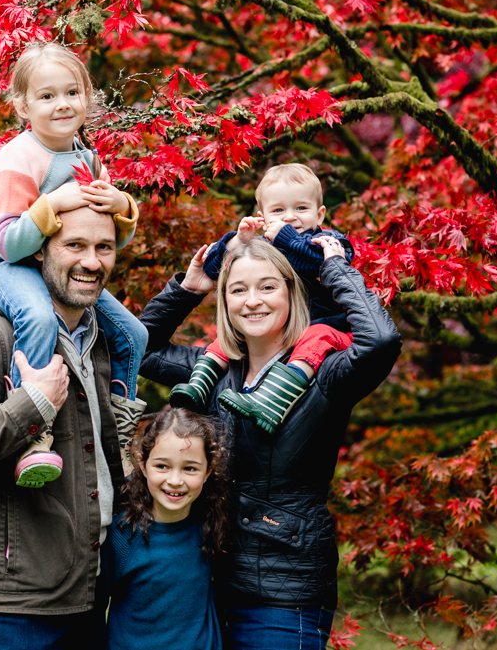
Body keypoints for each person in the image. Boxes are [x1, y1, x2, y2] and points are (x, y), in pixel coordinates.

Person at [139, 237, 401, 649]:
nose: (252, 301)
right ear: (224, 301)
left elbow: (381, 341)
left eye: (267, 286)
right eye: (238, 289)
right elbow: (140, 348)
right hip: (207, 581)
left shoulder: (322, 371)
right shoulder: (212, 370)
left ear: (291, 292)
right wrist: (187, 289)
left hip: (284, 592)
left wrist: (334, 269)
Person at [0, 207, 127, 650]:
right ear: (36, 253)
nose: (92, 261)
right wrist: (31, 404)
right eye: (75, 245)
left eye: (103, 247)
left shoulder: (96, 342)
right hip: (9, 610)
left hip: (86, 596)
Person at [0, 42, 147, 487]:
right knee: (39, 316)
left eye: (72, 92)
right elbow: (7, 242)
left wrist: (121, 203)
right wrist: (52, 203)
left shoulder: (86, 156)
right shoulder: (17, 161)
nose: (62, 104)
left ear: (87, 96)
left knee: (132, 334)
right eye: (47, 96)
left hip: (50, 266)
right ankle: (35, 431)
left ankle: (120, 433)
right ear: (23, 105)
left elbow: (110, 235)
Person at [169, 163, 354, 434]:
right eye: (279, 210)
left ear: (320, 214)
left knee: (316, 336)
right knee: (227, 339)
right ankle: (199, 386)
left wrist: (286, 238)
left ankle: (271, 403)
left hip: (325, 328)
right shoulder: (264, 247)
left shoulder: (328, 241)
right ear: (263, 216)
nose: (290, 217)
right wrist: (237, 241)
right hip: (279, 332)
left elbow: (321, 264)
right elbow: (215, 271)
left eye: (301, 208)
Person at [103, 408, 228, 650]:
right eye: (162, 466)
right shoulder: (122, 536)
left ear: (208, 471)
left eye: (190, 468)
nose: (175, 480)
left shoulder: (211, 524)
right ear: (142, 463)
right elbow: (94, 611)